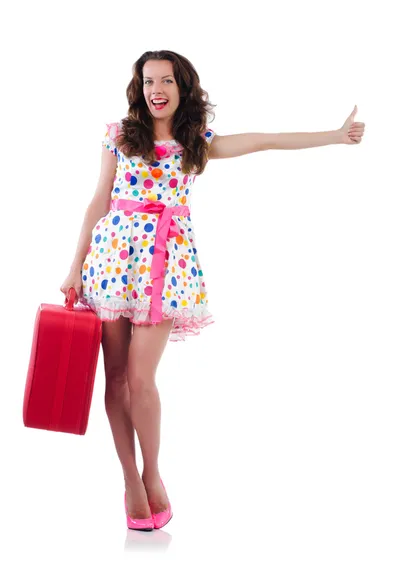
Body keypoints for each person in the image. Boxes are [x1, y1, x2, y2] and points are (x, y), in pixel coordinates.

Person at [60, 49, 365, 531]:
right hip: (110, 264)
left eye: (165, 81)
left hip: (164, 266)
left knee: (141, 380)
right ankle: (130, 482)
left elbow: (266, 140)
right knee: (114, 379)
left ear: (182, 87)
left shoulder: (194, 141)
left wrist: (334, 136)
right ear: (139, 88)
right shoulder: (119, 134)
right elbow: (98, 199)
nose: (155, 90)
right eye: (147, 81)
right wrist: (75, 266)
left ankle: (153, 472)